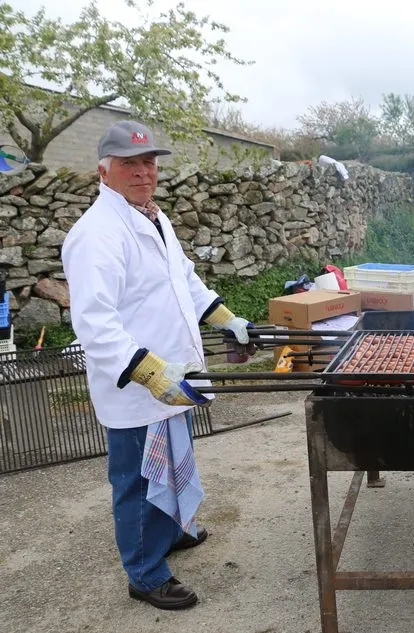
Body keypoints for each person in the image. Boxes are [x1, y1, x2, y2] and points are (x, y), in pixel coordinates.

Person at [62, 120, 255, 610]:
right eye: (130, 163)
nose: (143, 171)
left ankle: (169, 532)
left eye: (148, 162)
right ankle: (145, 574)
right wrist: (149, 374)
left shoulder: (152, 217)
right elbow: (95, 323)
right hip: (137, 387)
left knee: (170, 462)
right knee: (137, 479)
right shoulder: (96, 234)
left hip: (173, 376)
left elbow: (182, 280)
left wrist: (227, 318)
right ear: (104, 169)